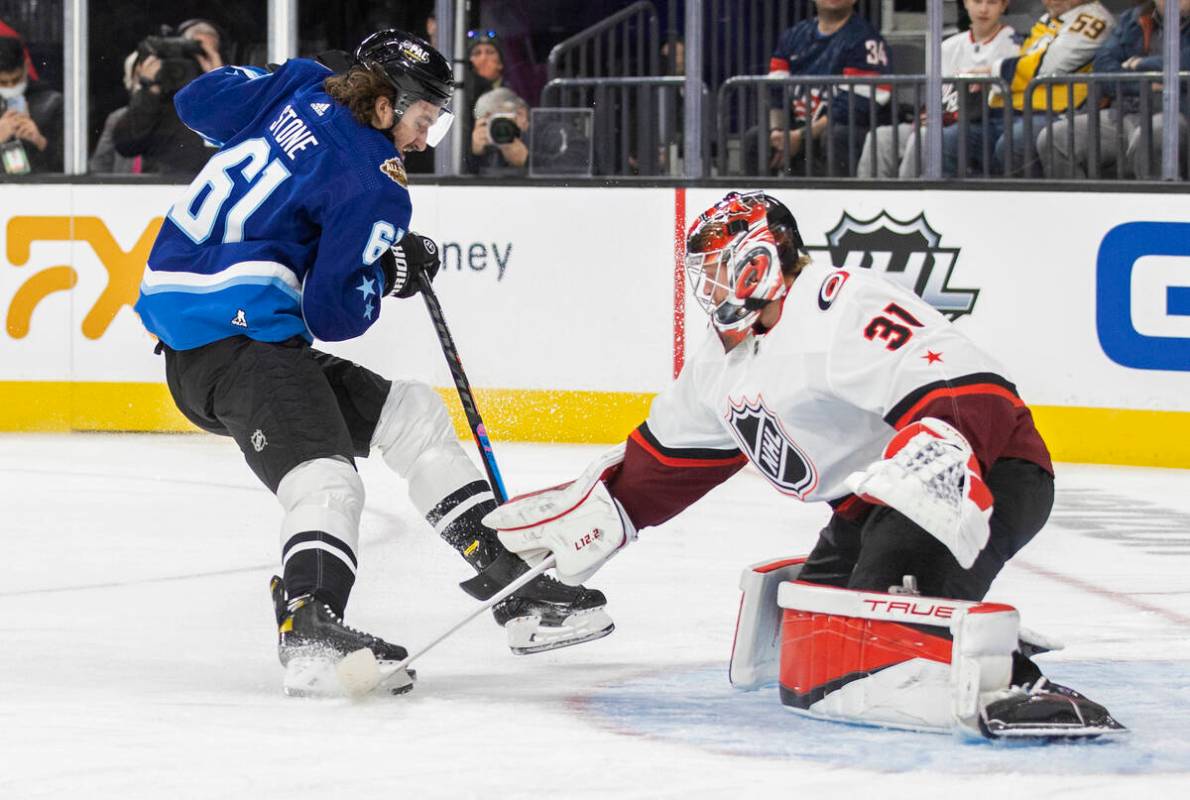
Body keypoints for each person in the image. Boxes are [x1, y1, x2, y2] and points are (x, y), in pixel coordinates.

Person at [483, 191, 1124, 738]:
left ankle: (1013, 682)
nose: (706, 290)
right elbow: (665, 463)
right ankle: (946, 632)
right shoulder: (718, 363)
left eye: (717, 272)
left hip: (980, 474)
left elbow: (962, 383)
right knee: (810, 656)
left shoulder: (839, 302)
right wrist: (598, 518)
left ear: (760, 261)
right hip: (872, 503)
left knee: (873, 651)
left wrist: (942, 450)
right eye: (699, 275)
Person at [132, 29, 612, 697]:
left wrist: (288, 73)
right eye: (424, 118)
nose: (424, 138)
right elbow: (333, 314)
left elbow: (196, 101)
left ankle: (514, 586)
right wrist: (385, 271)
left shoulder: (303, 87)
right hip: (237, 345)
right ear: (386, 104)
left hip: (206, 344)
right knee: (327, 481)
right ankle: (309, 623)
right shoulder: (374, 181)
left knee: (411, 413)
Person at [948, 0, 1115, 176]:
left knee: (1016, 140)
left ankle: (1018, 200)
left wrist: (991, 71)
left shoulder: (1094, 20)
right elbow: (1025, 63)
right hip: (1012, 110)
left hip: (1057, 113)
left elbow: (1048, 66)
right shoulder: (1048, 19)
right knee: (949, 139)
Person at [857, 0, 1018, 178]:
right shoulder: (947, 46)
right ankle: (871, 202)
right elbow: (937, 97)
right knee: (881, 138)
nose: (984, 9)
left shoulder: (1013, 46)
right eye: (977, 1)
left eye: (992, 2)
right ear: (965, 3)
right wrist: (930, 115)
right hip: (940, 122)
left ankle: (912, 200)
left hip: (981, 128)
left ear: (1004, 6)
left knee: (924, 137)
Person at [1037, 0, 1190, 179]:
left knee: (1149, 136)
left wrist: (1138, 64)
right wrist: (1144, 84)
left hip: (1178, 113)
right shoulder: (1133, 19)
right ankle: (1078, 204)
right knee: (1054, 137)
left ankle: (1156, 205)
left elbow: (1182, 62)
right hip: (1126, 112)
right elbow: (1102, 65)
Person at [744, 0, 891, 177]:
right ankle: (756, 203)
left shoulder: (867, 40)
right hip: (800, 129)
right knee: (756, 138)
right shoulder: (793, 36)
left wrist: (801, 136)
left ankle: (839, 202)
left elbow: (854, 107)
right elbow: (776, 92)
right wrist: (779, 133)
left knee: (837, 136)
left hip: (841, 130)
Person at [114, 19, 229, 177]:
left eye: (207, 54)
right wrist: (149, 88)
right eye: (193, 54)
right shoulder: (158, 101)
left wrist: (220, 81)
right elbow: (126, 145)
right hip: (163, 192)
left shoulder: (226, 101)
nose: (200, 62)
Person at [0, 34, 62, 175]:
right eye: (3, 82)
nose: (11, 86)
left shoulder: (52, 103)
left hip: (41, 189)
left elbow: (74, 167)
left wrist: (40, 141)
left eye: (16, 79)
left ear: (26, 67)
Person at [89, 52, 140, 174]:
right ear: (129, 82)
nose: (147, 84)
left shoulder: (181, 119)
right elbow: (99, 168)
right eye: (140, 78)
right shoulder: (118, 119)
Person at [467, 87, 530, 174]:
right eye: (488, 123)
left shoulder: (545, 136)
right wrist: (475, 154)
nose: (497, 128)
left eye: (499, 119)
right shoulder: (488, 146)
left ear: (521, 114)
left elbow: (553, 171)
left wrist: (527, 160)